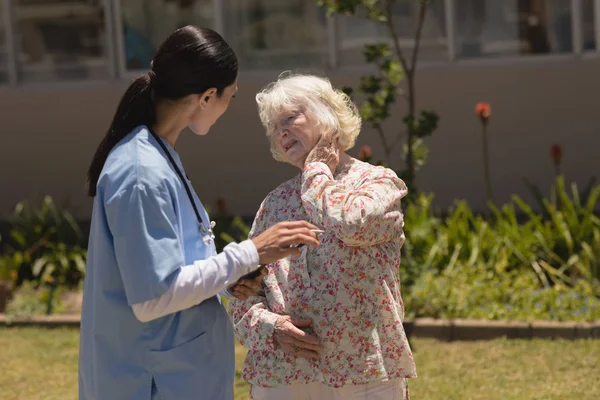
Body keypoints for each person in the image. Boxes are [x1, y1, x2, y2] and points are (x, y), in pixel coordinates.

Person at [78, 27, 321, 400]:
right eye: (230, 96)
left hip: (181, 375)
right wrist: (249, 252)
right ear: (207, 96)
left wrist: (232, 277)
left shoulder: (160, 155)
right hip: (151, 382)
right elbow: (153, 298)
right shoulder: (141, 171)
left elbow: (175, 266)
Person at [229, 73, 417, 400]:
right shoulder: (274, 203)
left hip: (362, 367)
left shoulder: (376, 182)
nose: (281, 131)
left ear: (326, 116)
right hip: (284, 371)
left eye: (290, 117)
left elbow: (353, 224)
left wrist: (317, 173)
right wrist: (270, 328)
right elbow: (243, 290)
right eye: (274, 128)